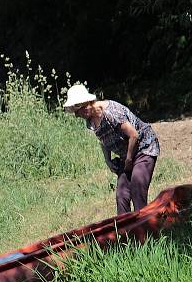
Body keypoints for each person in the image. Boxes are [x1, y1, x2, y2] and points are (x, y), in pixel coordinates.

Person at [63, 83, 160, 214]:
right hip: (127, 155)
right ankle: (125, 232)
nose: (76, 116)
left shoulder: (111, 112)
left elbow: (133, 135)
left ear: (85, 106)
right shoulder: (90, 121)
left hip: (143, 148)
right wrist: (108, 160)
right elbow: (104, 139)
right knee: (122, 195)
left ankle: (145, 229)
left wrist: (129, 159)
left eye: (77, 111)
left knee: (137, 187)